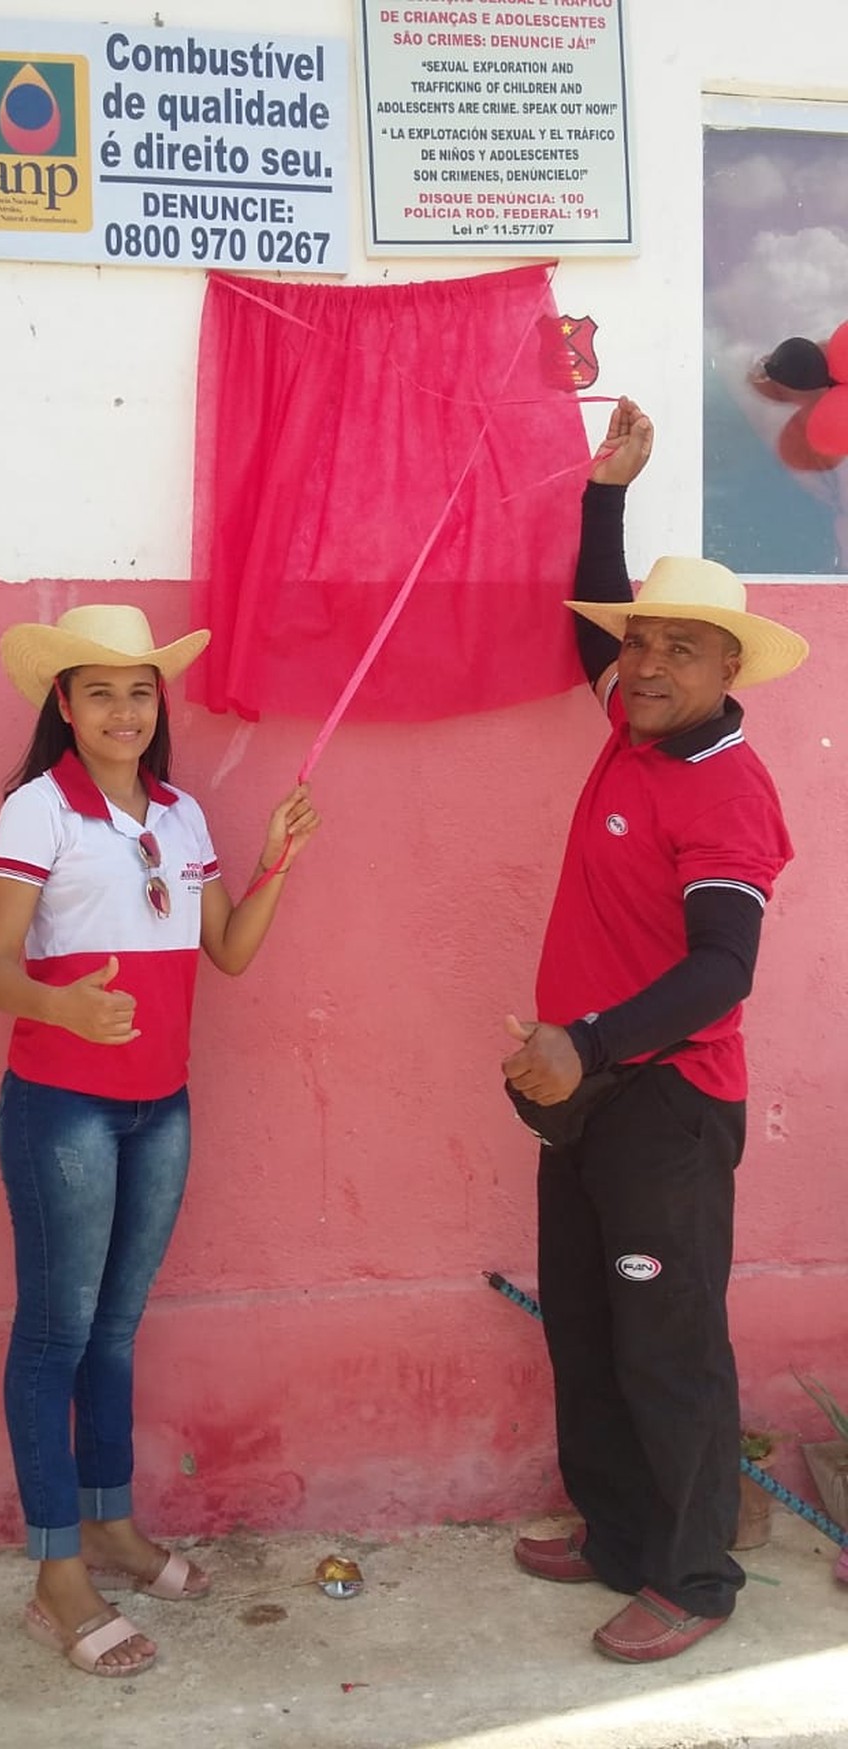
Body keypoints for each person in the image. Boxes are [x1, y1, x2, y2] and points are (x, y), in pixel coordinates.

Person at [503, 400, 808, 1663]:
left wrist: (584, 1040)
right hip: (585, 1097)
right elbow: (597, 617)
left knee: (668, 1348)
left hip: (668, 1109)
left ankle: (691, 1574)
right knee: (584, 1326)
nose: (648, 666)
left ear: (727, 669)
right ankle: (620, 1535)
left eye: (682, 650)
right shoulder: (635, 730)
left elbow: (723, 971)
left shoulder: (724, 789)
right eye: (643, 647)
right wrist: (603, 495)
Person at [0, 604, 320, 1678]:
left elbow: (227, 956)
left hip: (159, 1106)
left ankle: (113, 1527)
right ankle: (55, 1574)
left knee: (115, 1332)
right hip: (62, 1106)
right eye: (100, 691)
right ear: (64, 707)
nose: (124, 710)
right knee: (54, 1338)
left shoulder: (181, 815)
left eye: (140, 690)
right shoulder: (40, 812)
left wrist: (274, 865)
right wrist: (68, 1009)